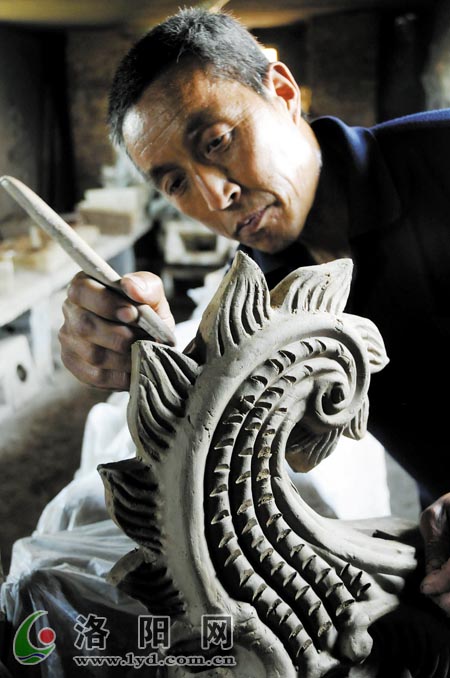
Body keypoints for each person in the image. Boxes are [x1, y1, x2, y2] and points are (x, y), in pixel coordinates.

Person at [59, 8, 450, 614]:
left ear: (283, 92)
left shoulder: (441, 153)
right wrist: (144, 355)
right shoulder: (263, 295)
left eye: (217, 142)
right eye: (176, 182)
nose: (214, 197)